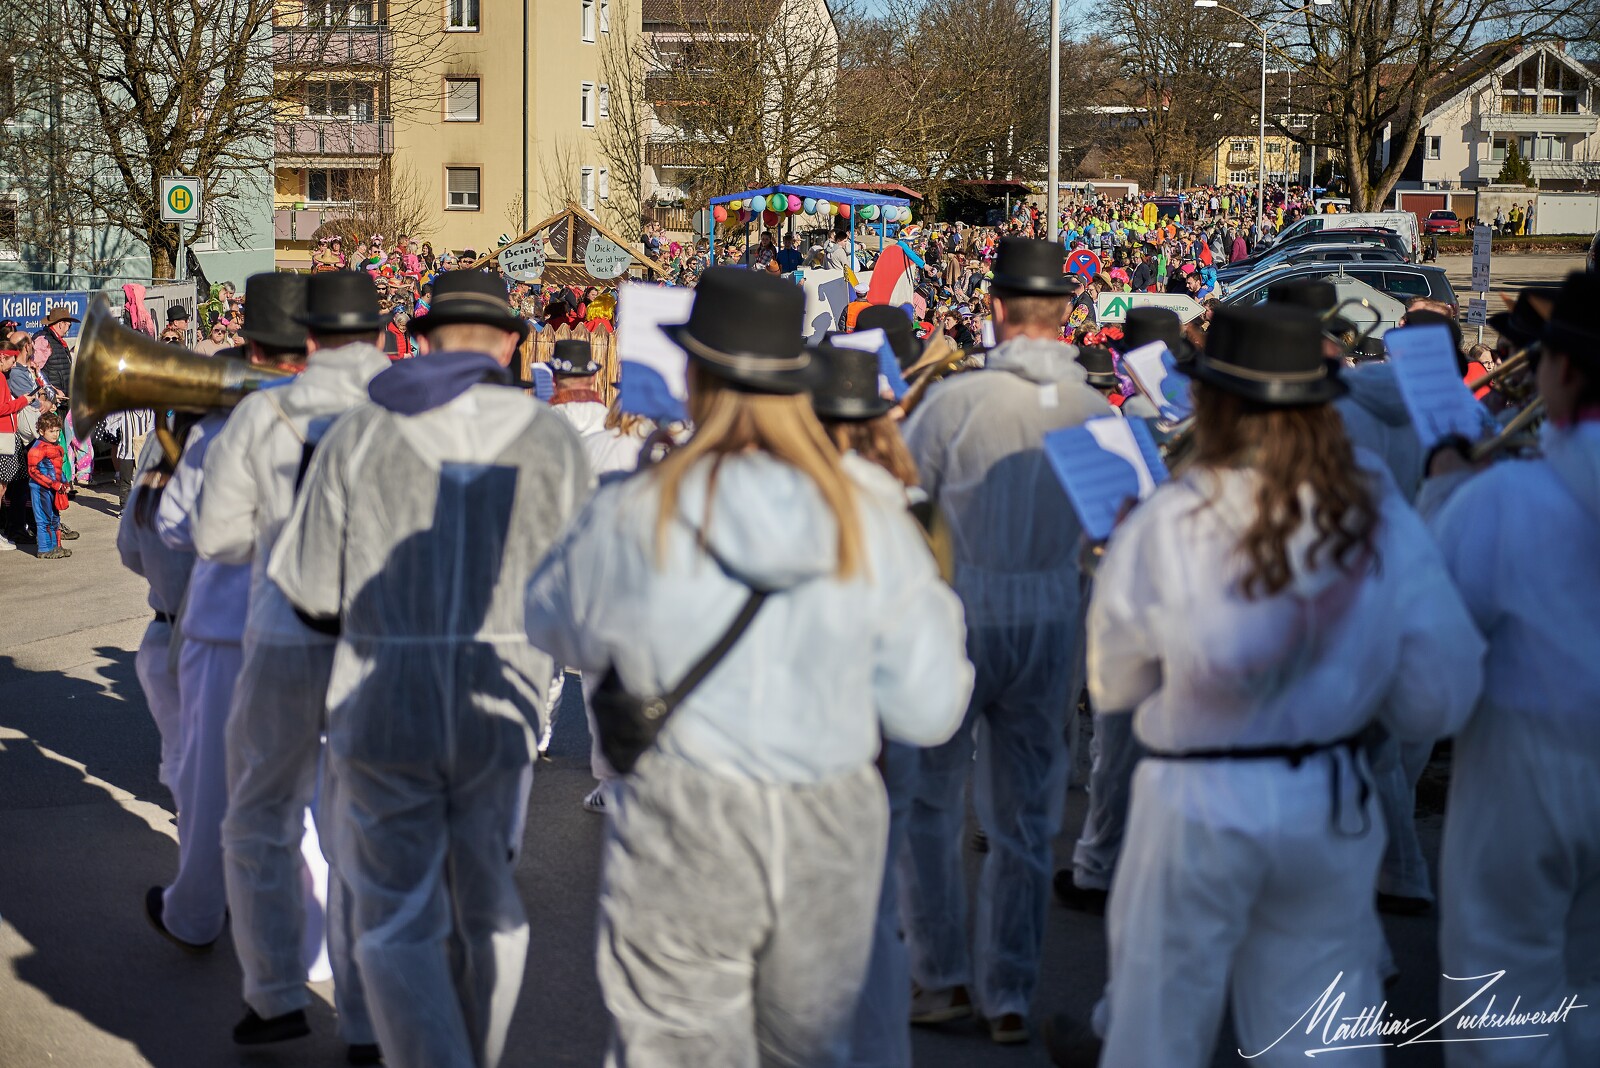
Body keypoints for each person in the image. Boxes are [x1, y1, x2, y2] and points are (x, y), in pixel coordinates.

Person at [524, 267, 972, 1067]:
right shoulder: (871, 510)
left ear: (694, 377)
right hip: (827, 819)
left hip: (681, 820)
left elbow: (553, 629)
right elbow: (930, 709)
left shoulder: (642, 503)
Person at [1049, 304, 1484, 1067]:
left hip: (1193, 803)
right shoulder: (1376, 506)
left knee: (1154, 1040)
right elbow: (1437, 697)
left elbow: (1115, 686)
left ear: (1213, 403)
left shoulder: (1167, 517)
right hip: (1326, 797)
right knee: (1319, 1046)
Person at [268, 269, 593, 1068]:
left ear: (417, 337)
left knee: (393, 910)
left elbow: (309, 589)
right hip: (504, 696)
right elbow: (584, 598)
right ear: (514, 344)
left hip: (386, 696)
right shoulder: (551, 439)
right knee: (487, 905)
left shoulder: (362, 431)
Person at [899, 237, 1111, 1044]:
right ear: (1066, 315)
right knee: (1027, 818)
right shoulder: (1099, 413)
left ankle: (941, 976)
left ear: (993, 310)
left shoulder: (955, 403)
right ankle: (1012, 992)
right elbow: (1113, 528)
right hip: (1054, 612)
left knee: (931, 799)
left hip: (961, 611)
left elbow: (908, 505)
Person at [191, 272, 387, 1059]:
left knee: (260, 814)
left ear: (308, 335)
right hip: (377, 640)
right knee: (367, 825)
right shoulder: (410, 406)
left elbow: (214, 541)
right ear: (380, 333)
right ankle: (370, 1017)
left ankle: (274, 993)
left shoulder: (264, 410)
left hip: (281, 633)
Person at [1428, 272, 1600, 1068]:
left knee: (1502, 999)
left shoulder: (1504, 499)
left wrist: (1444, 497)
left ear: (1563, 371)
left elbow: (1430, 657)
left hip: (1525, 763)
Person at [117, 430, 196, 799]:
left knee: (182, 753)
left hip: (163, 631)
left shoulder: (156, 458)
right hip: (220, 639)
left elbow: (130, 550)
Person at [27, 410, 72, 559]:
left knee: (54, 518)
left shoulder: (55, 446)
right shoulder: (37, 448)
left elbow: (58, 469)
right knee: (43, 519)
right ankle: (45, 548)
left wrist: (65, 482)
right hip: (40, 489)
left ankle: (56, 546)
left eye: (58, 431)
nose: (55, 434)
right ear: (41, 431)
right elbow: (33, 471)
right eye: (51, 431)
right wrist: (53, 484)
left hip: (54, 489)